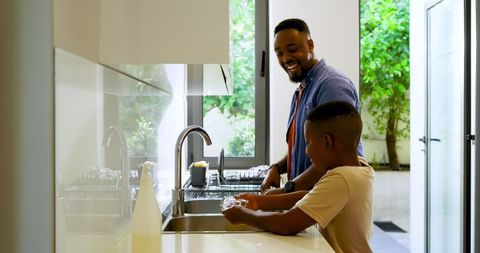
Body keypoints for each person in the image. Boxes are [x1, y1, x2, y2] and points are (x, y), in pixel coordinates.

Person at [223, 101, 374, 253]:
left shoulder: (341, 178)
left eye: (308, 142)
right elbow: (312, 197)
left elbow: (287, 224)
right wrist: (259, 201)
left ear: (327, 142)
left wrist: (244, 215)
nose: (307, 151)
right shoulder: (359, 168)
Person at [262, 18, 364, 194]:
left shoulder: (332, 85)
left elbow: (335, 156)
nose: (285, 58)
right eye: (279, 53)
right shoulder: (302, 90)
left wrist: (289, 189)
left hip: (332, 204)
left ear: (310, 45)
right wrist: (277, 168)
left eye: (292, 49)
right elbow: (302, 149)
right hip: (310, 206)